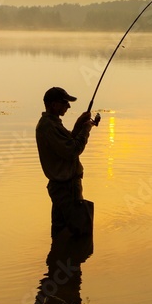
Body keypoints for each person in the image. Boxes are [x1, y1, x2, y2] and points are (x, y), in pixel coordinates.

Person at [36, 87, 98, 238]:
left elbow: (67, 142)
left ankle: (59, 258)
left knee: (62, 232)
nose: (68, 106)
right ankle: (70, 259)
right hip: (66, 189)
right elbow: (72, 151)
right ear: (53, 104)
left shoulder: (52, 123)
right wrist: (86, 129)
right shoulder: (48, 126)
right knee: (79, 234)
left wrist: (78, 125)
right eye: (64, 103)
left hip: (61, 188)